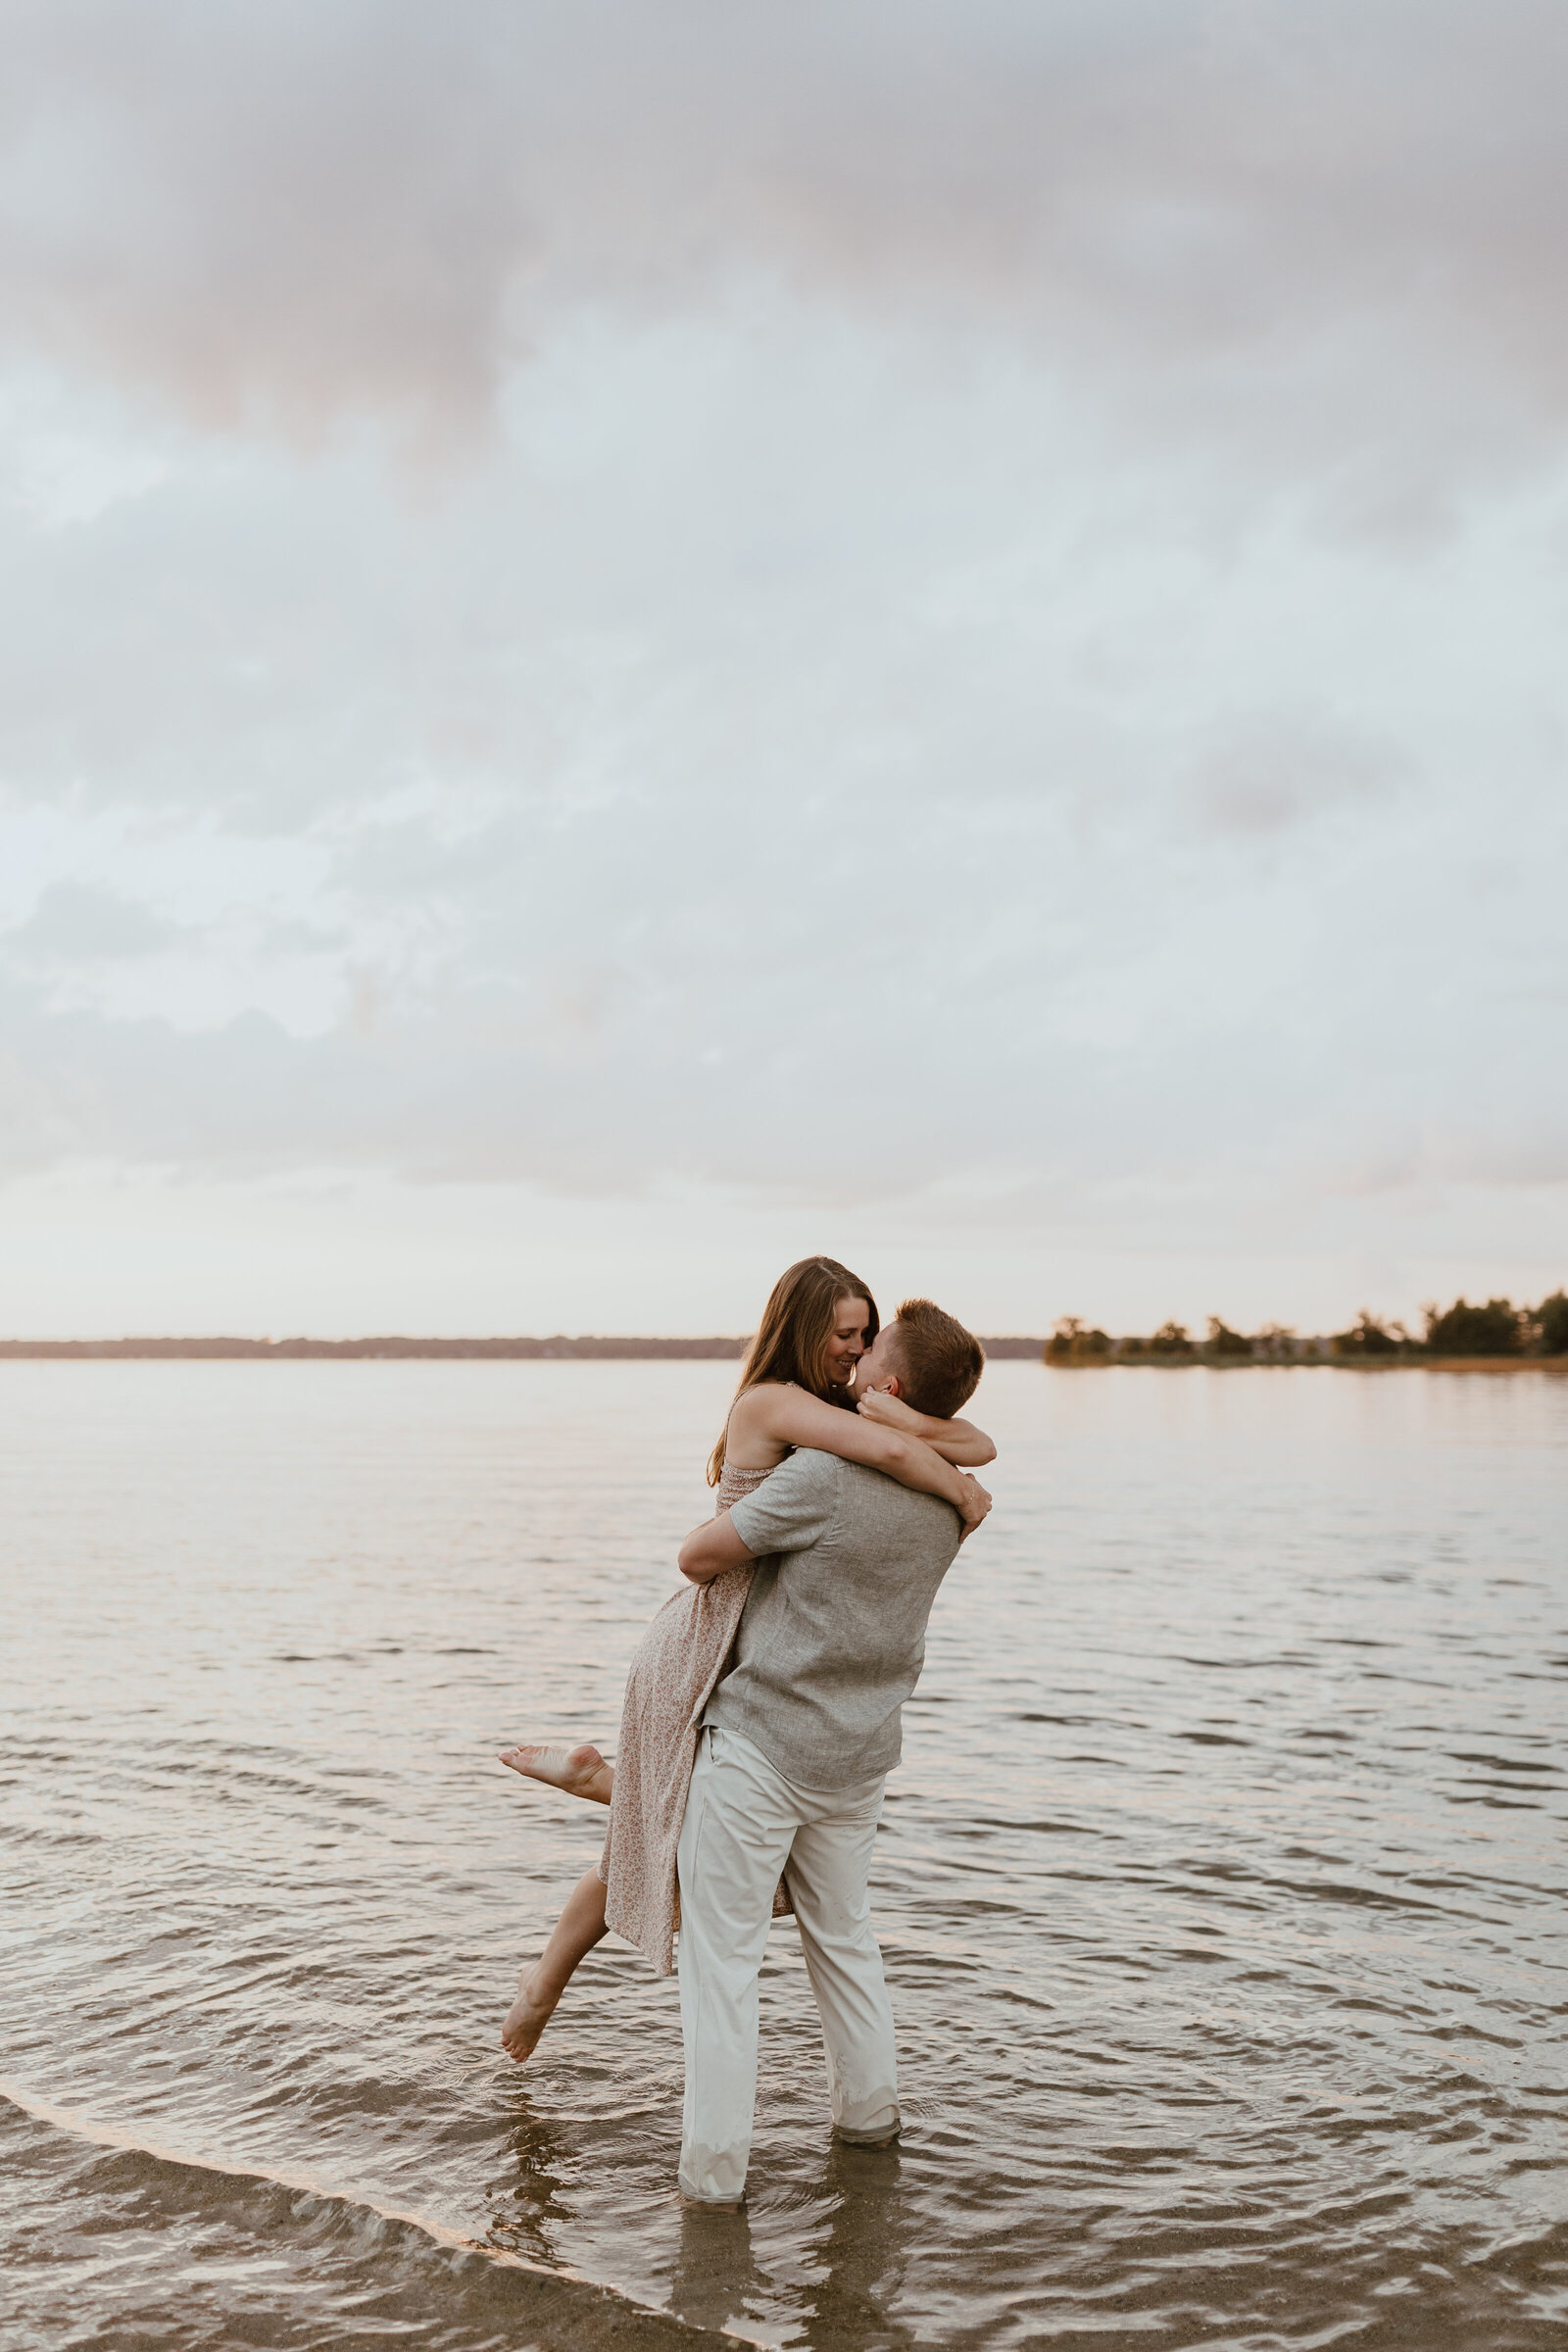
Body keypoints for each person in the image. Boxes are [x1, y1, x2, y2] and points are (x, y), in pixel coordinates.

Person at [498, 1257, 994, 2063]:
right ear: (801, 1329)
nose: (855, 1349)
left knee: (671, 1841)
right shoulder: (774, 1403)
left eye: (866, 1336)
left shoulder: (839, 1407)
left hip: (758, 1640)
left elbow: (981, 1439)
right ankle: (548, 1964)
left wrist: (907, 1423)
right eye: (843, 1333)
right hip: (709, 1637)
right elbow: (913, 1460)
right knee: (688, 1847)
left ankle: (595, 1815)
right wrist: (964, 1496)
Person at [672, 1290, 989, 2203]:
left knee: (724, 1971)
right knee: (847, 1946)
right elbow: (936, 1454)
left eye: (865, 1354)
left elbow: (699, 1559)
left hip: (765, 1747)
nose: (849, 1366)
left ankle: (713, 2189)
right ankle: (869, 2130)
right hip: (859, 1757)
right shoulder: (952, 1509)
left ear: (886, 1383)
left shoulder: (818, 1477)